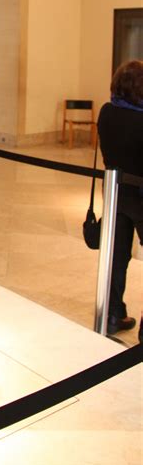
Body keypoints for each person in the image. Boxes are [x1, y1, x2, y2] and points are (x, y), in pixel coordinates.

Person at [97, 59, 143, 340]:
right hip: (140, 196)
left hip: (116, 193)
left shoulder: (106, 112)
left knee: (117, 255)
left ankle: (113, 314)